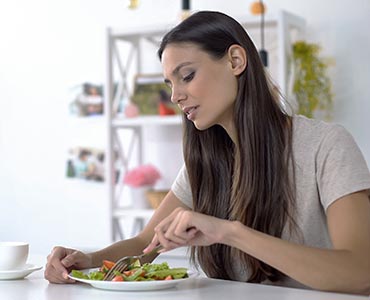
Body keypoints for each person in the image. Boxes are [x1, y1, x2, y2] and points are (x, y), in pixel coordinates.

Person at [44, 11, 370, 294]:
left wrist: (231, 233)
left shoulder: (326, 146)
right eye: (170, 84)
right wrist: (85, 260)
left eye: (186, 76)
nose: (175, 96)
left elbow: (360, 272)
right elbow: (146, 245)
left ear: (235, 61)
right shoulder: (206, 161)